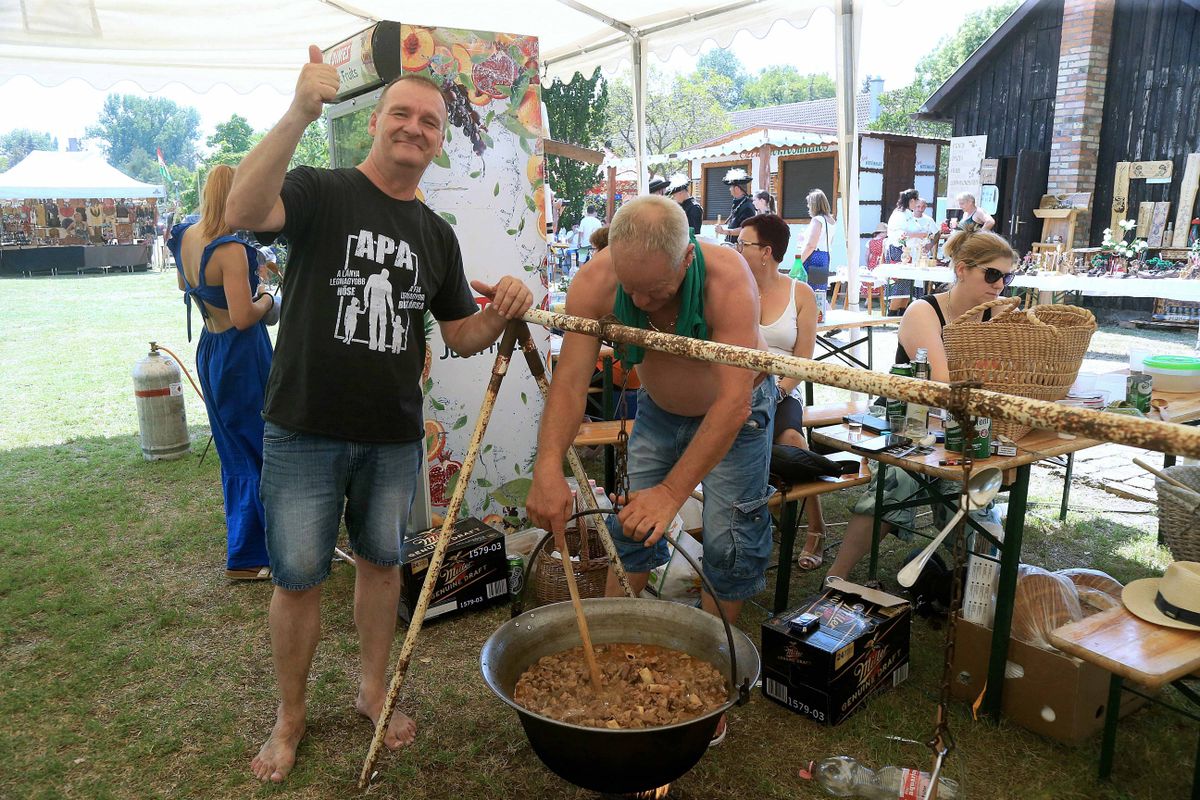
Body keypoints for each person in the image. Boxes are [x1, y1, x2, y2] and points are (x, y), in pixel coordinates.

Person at [225, 47, 534, 784]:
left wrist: (507, 312)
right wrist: (300, 112)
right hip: (302, 425)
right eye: (401, 112)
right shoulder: (321, 191)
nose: (415, 127)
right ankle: (290, 718)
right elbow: (241, 211)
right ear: (376, 121)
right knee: (297, 579)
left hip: (393, 434)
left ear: (439, 139)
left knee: (383, 568)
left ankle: (371, 691)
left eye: (429, 121)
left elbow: (460, 332)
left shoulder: (436, 233)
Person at [527, 194, 774, 630]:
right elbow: (569, 384)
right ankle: (612, 639)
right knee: (630, 524)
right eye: (631, 287)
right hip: (659, 410)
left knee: (729, 536)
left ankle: (717, 652)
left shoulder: (729, 279)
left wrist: (672, 492)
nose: (640, 302)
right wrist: (547, 465)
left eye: (656, 289)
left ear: (686, 258)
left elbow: (733, 403)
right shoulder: (595, 279)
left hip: (737, 412)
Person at [824, 230, 1015, 582]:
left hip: (964, 422)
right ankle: (836, 578)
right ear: (961, 269)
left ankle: (977, 588)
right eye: (992, 274)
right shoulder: (924, 310)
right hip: (903, 417)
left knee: (969, 490)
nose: (1001, 284)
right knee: (899, 479)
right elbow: (941, 385)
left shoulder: (999, 314)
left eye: (1007, 276)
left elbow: (1012, 375)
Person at [168, 164, 275, 583]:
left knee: (235, 448)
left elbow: (183, 285)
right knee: (259, 446)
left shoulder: (184, 235)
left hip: (210, 349)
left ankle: (251, 545)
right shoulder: (230, 248)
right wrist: (265, 296)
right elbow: (245, 316)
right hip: (241, 354)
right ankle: (248, 556)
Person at [742, 213, 828, 570]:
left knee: (793, 439)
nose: (737, 249)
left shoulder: (800, 293)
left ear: (767, 251)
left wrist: (776, 392)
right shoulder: (734, 287)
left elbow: (803, 360)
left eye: (744, 244)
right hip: (738, 386)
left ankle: (816, 528)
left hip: (781, 388)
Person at [797, 189, 835, 319]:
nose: (808, 206)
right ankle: (828, 318)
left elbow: (811, 245)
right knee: (819, 291)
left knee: (809, 291)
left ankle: (815, 319)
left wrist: (799, 261)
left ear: (814, 204)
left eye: (809, 203)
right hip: (824, 256)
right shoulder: (831, 220)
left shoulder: (817, 220)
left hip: (814, 257)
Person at [885, 188, 922, 314]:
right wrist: (918, 235)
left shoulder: (908, 214)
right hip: (898, 249)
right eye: (916, 200)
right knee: (900, 279)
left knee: (907, 280)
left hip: (909, 250)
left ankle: (903, 310)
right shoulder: (899, 214)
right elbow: (901, 234)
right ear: (912, 200)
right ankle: (893, 310)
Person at [714, 168, 755, 244]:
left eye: (731, 187)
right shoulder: (738, 203)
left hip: (740, 247)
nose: (730, 189)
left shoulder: (747, 206)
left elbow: (745, 229)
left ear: (736, 189)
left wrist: (724, 231)